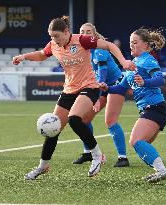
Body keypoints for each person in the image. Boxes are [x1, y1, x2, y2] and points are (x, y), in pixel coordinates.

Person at [12, 16, 135, 180]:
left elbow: (109, 45)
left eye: (56, 36)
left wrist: (123, 61)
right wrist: (24, 57)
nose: (54, 39)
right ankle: (43, 166)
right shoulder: (54, 45)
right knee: (53, 129)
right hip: (69, 90)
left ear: (66, 32)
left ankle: (97, 155)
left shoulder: (82, 40)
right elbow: (42, 54)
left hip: (89, 87)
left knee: (75, 119)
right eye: (51, 36)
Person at [100, 28, 166, 183]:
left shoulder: (148, 60)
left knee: (135, 140)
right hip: (149, 109)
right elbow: (121, 88)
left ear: (145, 44)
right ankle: (159, 170)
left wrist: (146, 82)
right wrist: (108, 88)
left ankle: (162, 170)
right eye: (130, 42)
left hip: (155, 108)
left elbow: (160, 80)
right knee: (141, 143)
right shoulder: (133, 64)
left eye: (135, 42)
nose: (131, 45)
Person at [72, 22, 129, 167]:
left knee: (110, 121)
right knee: (84, 120)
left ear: (94, 34)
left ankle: (123, 157)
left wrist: (96, 95)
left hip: (115, 84)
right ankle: (88, 153)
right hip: (100, 86)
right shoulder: (81, 50)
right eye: (82, 31)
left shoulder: (99, 47)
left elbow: (102, 72)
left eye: (88, 32)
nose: (85, 34)